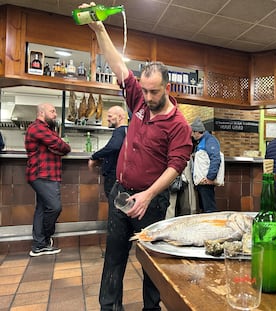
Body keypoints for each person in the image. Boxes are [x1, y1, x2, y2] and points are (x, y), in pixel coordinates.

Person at [81, 3, 193, 310]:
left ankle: (150, 308)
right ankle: (109, 307)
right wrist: (99, 28)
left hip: (152, 203)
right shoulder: (139, 102)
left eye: (154, 92)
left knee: (150, 263)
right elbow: (119, 67)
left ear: (166, 88)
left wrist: (148, 195)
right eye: (143, 91)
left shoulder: (178, 124)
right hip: (121, 195)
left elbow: (176, 166)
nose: (146, 97)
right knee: (113, 258)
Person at [25, 103, 71, 257]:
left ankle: (39, 245)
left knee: (42, 209)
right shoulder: (38, 128)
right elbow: (61, 145)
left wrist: (59, 147)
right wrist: (63, 147)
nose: (55, 114)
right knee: (54, 207)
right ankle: (45, 239)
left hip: (45, 175)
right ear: (41, 112)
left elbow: (57, 146)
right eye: (52, 111)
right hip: (43, 175)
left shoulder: (46, 129)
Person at [88, 105, 127, 198]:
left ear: (120, 117)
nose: (107, 119)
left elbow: (113, 146)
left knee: (113, 204)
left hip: (113, 175)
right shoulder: (127, 130)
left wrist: (94, 156)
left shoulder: (119, 131)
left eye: (110, 116)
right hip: (121, 174)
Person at [191, 117, 222, 213]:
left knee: (209, 209)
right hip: (202, 181)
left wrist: (210, 178)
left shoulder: (209, 141)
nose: (192, 135)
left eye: (193, 132)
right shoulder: (202, 141)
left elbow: (216, 159)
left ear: (197, 132)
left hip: (206, 182)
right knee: (205, 208)